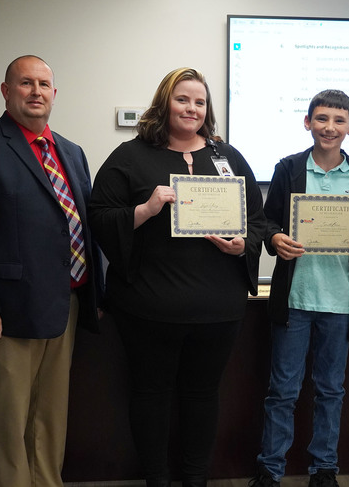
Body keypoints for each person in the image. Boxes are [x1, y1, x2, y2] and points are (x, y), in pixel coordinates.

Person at [88, 67, 265, 487]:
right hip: (148, 309)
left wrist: (243, 244)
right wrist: (145, 210)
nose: (192, 108)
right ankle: (156, 479)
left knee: (203, 396)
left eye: (200, 102)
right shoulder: (129, 157)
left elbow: (257, 220)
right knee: (151, 395)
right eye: (183, 99)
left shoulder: (228, 157)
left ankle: (196, 479)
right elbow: (97, 218)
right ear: (164, 103)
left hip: (217, 310)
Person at [0, 55, 103, 487]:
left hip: (64, 306)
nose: (36, 92)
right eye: (26, 83)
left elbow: (86, 226)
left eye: (44, 84)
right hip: (7, 314)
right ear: (6, 91)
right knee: (8, 426)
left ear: (54, 93)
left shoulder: (71, 151)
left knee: (50, 421)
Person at [251, 90, 349, 487]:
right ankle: (270, 469)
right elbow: (267, 221)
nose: (330, 127)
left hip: (342, 301)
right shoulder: (288, 169)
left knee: (331, 391)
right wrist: (275, 240)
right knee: (282, 392)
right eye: (322, 119)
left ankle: (324, 469)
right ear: (307, 122)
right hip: (295, 300)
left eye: (339, 121)